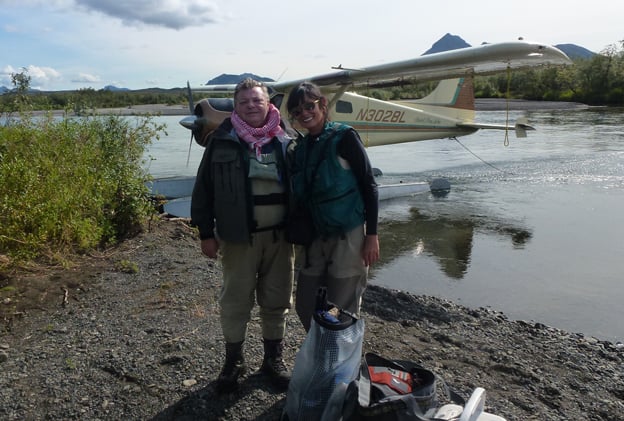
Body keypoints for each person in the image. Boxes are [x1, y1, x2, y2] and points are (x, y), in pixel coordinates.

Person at [191, 78, 295, 393]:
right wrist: (206, 233)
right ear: (235, 107)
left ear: (269, 104)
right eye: (244, 101)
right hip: (238, 238)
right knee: (235, 301)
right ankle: (233, 361)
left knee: (277, 301)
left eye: (257, 100)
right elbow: (203, 191)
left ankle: (272, 360)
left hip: (281, 238)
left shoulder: (288, 139)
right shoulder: (221, 141)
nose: (251, 105)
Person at [286, 81, 380, 332]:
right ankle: (321, 353)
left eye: (309, 106)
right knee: (306, 304)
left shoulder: (345, 137)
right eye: (296, 111)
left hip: (347, 235)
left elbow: (369, 184)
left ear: (323, 104)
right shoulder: (301, 148)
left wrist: (371, 235)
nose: (304, 113)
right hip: (315, 236)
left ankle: (339, 363)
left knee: (341, 307)